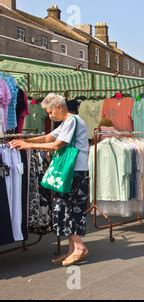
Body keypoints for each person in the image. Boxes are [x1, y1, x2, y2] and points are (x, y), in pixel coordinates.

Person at [9, 93, 90, 267]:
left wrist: (28, 145)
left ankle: (79, 248)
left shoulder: (72, 121)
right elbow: (48, 138)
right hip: (71, 172)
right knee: (64, 207)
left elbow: (56, 145)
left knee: (70, 208)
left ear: (59, 107)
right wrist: (23, 140)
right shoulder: (67, 122)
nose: (49, 115)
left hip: (74, 171)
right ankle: (72, 249)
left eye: (50, 111)